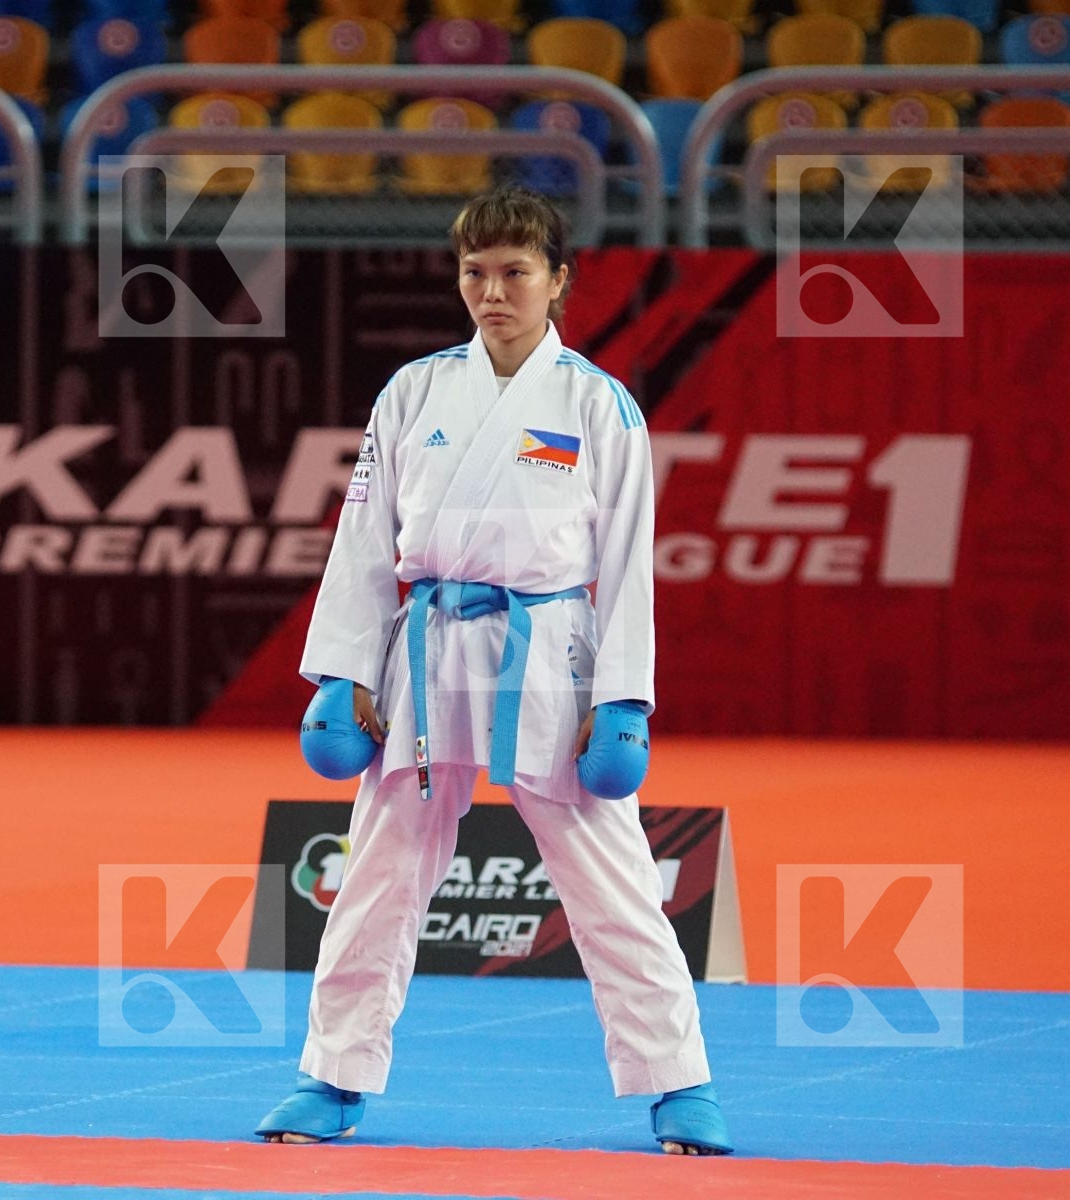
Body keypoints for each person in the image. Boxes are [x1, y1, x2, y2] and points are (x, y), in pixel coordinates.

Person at [258, 186, 733, 1156]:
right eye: (476, 272)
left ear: (558, 281)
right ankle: (332, 1076)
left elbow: (629, 566)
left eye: (515, 272)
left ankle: (677, 1084)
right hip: (427, 650)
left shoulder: (599, 406)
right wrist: (340, 673)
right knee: (381, 871)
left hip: (548, 652)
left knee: (611, 878)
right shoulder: (416, 392)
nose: (492, 291)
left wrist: (624, 700)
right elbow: (360, 543)